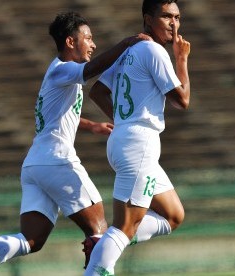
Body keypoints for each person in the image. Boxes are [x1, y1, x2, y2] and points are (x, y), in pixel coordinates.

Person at [0, 11, 150, 276]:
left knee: (32, 239)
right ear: (70, 42)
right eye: (88, 38)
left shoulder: (57, 74)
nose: (93, 44)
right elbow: (90, 71)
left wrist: (93, 126)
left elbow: (58, 116)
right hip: (57, 159)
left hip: (35, 164)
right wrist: (126, 43)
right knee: (99, 229)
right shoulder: (65, 70)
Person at [84, 0, 190, 275]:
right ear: (147, 19)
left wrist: (122, 120)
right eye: (166, 16)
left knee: (173, 215)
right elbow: (183, 100)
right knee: (125, 227)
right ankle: (101, 256)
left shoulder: (129, 51)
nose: (174, 24)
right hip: (140, 143)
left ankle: (104, 240)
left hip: (127, 139)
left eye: (177, 17)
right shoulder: (154, 51)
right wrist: (181, 58)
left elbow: (97, 91)